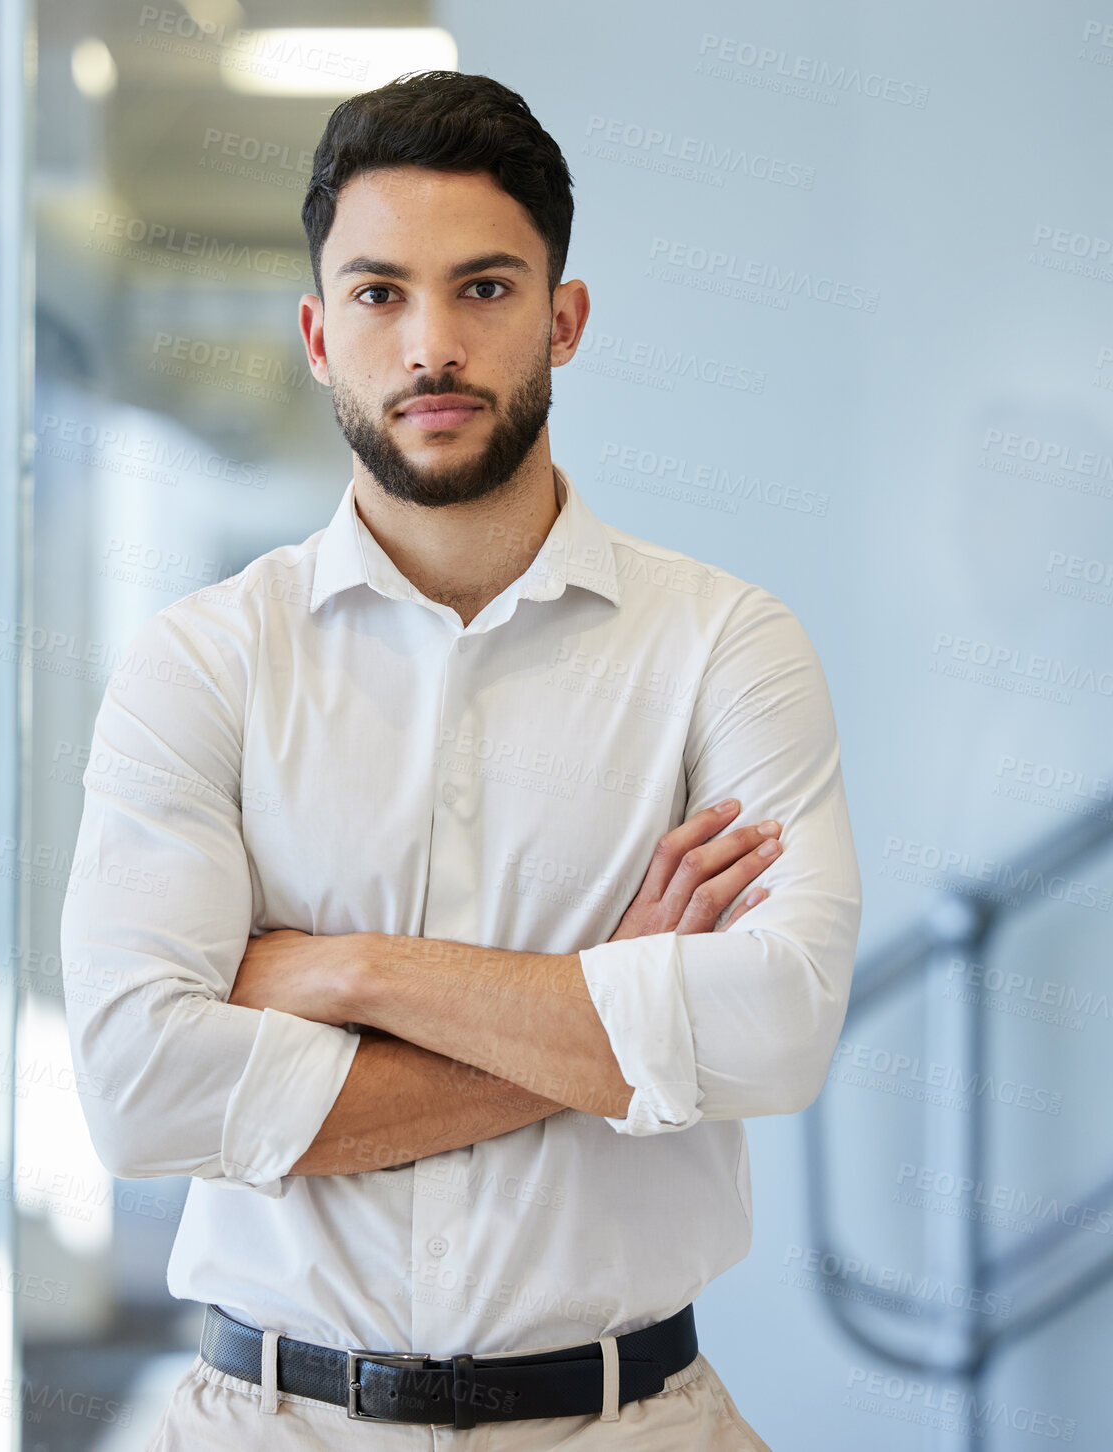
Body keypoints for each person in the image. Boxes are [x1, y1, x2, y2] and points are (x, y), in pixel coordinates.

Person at [59, 69, 862, 1449]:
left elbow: (778, 1025)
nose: (431, 343)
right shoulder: (204, 663)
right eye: (380, 294)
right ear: (318, 334)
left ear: (565, 319)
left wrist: (345, 969)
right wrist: (608, 1008)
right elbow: (138, 1089)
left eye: (484, 289)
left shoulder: (726, 645)